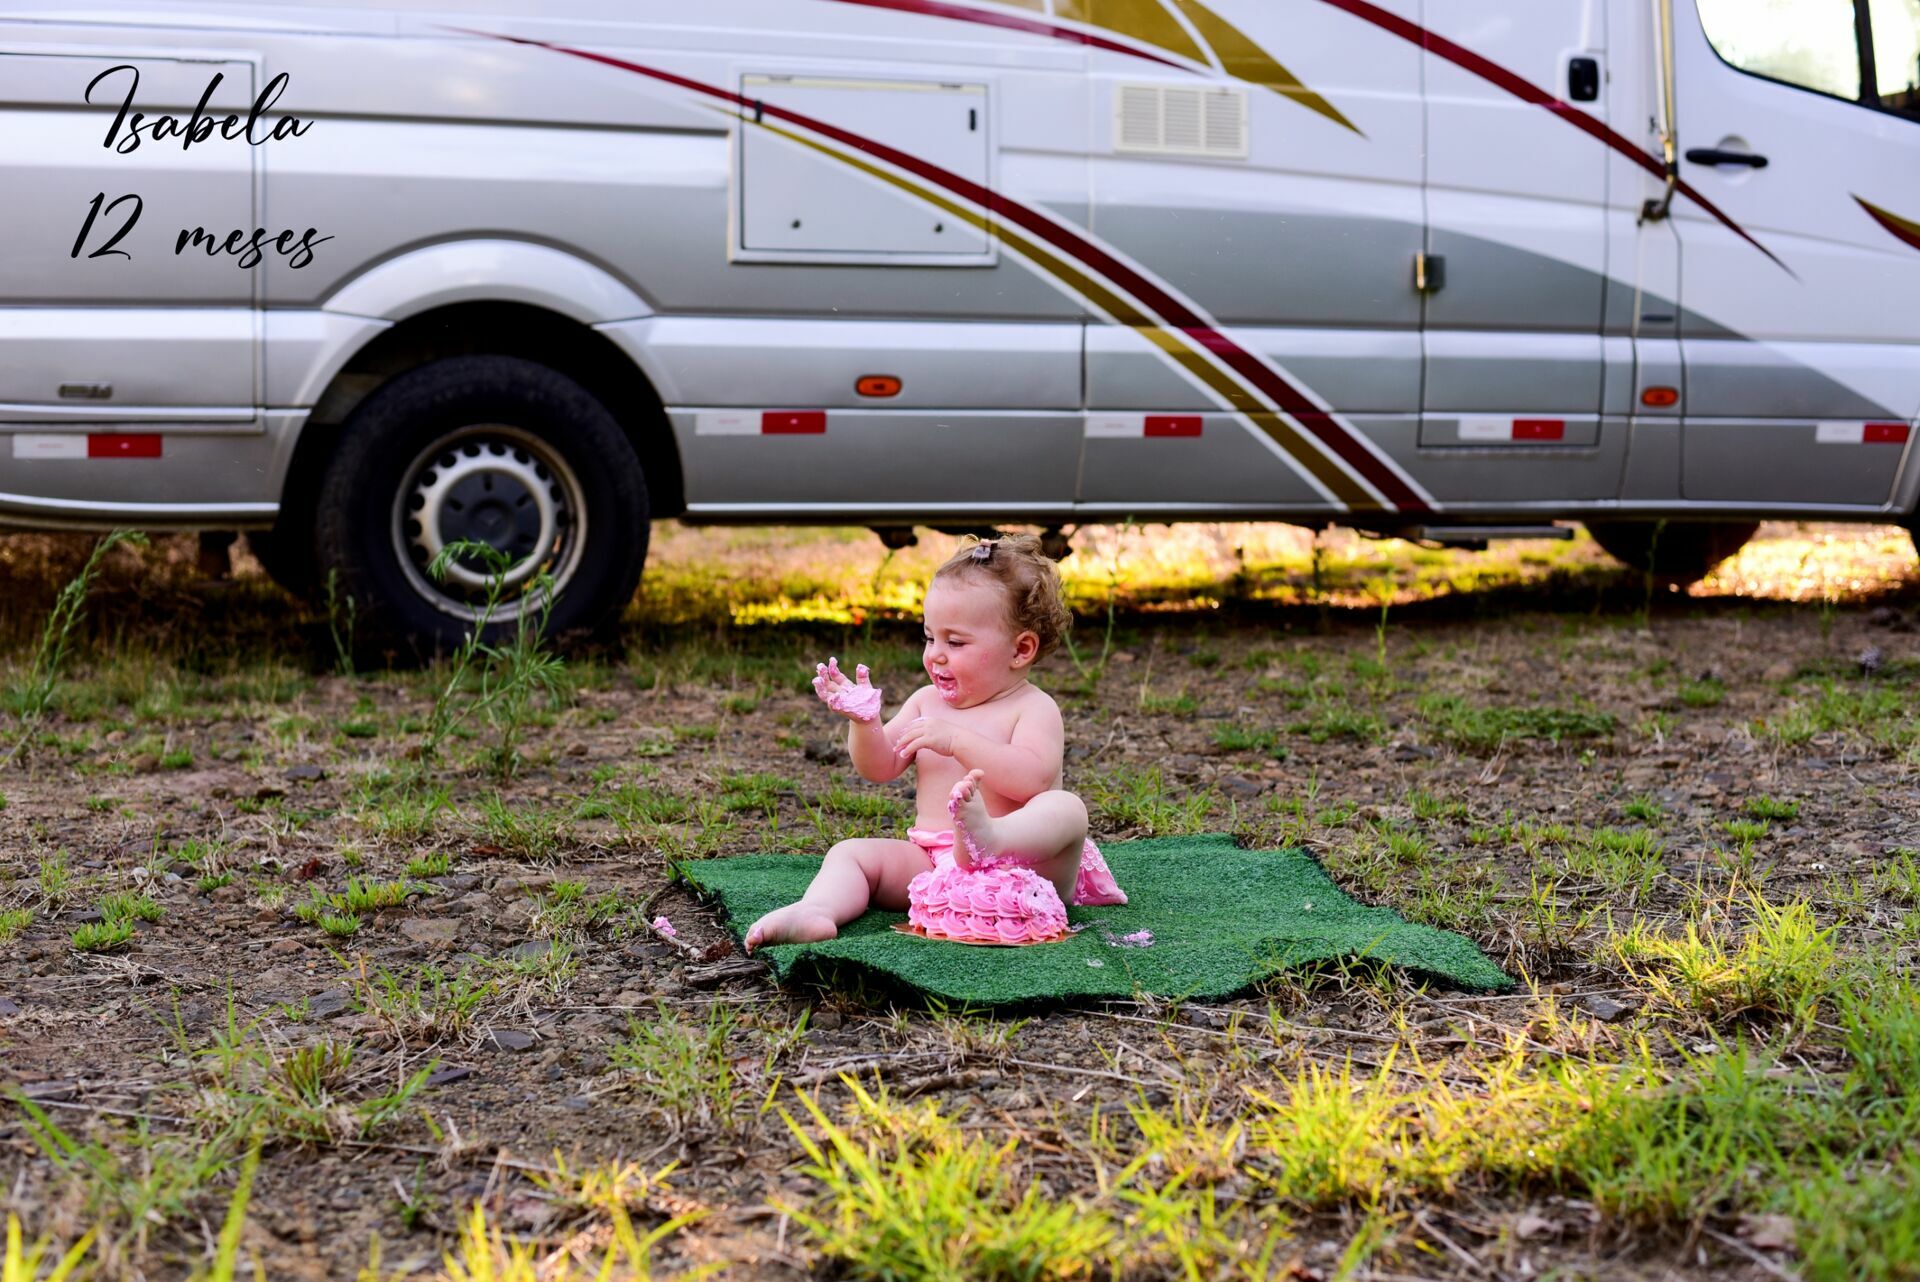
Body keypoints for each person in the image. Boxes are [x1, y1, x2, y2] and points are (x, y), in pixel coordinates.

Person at [744, 533, 1125, 952]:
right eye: (929, 637)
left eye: (955, 642)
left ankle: (988, 837)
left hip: (1026, 866)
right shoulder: (925, 702)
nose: (935, 655)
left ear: (1021, 649)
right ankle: (816, 909)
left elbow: (1032, 779)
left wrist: (958, 741)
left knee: (1066, 808)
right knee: (850, 853)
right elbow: (880, 766)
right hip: (935, 863)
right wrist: (865, 722)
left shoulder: (1034, 708)